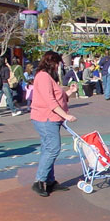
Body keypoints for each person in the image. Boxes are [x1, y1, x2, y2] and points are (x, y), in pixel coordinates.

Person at [30, 51, 78, 196]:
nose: (58, 68)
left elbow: (57, 97)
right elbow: (50, 101)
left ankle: (49, 181)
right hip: (46, 118)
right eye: (57, 64)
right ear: (52, 63)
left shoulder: (47, 77)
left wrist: (69, 92)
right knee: (53, 148)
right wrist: (66, 116)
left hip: (51, 118)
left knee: (48, 148)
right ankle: (40, 180)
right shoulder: (43, 77)